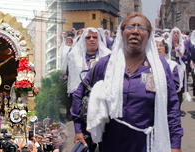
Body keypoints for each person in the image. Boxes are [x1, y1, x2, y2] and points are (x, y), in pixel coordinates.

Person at [72, 13, 183, 152]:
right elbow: (79, 93)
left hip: (147, 144)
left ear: (149, 35)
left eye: (142, 27)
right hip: (111, 144)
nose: (136, 31)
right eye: (131, 26)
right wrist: (78, 129)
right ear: (122, 32)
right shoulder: (106, 64)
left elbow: (172, 107)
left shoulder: (160, 67)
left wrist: (175, 145)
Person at [69, 27, 110, 152]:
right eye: (88, 37)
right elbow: (76, 91)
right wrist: (77, 128)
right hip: (84, 110)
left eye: (95, 37)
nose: (91, 40)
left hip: (105, 112)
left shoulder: (108, 57)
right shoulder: (74, 56)